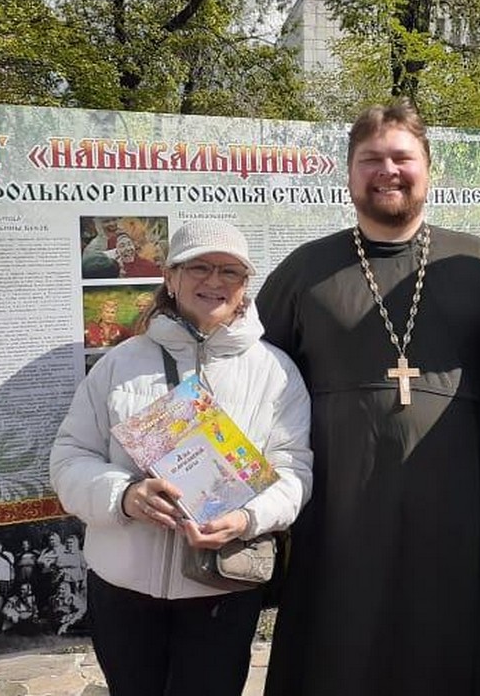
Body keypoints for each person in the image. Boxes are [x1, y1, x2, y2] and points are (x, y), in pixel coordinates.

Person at [258, 102, 480, 696]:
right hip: (340, 513)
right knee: (342, 642)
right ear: (348, 172)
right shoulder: (306, 270)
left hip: (458, 507)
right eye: (370, 159)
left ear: (428, 167)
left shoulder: (474, 262)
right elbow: (256, 379)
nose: (388, 170)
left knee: (453, 637)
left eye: (402, 156)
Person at [50, 218, 313, 696]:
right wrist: (125, 496)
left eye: (229, 271)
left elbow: (294, 472)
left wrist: (248, 517)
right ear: (170, 279)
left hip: (222, 589)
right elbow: (69, 458)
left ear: (245, 285)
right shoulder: (120, 363)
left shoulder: (275, 373)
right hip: (122, 590)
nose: (214, 281)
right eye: (199, 268)